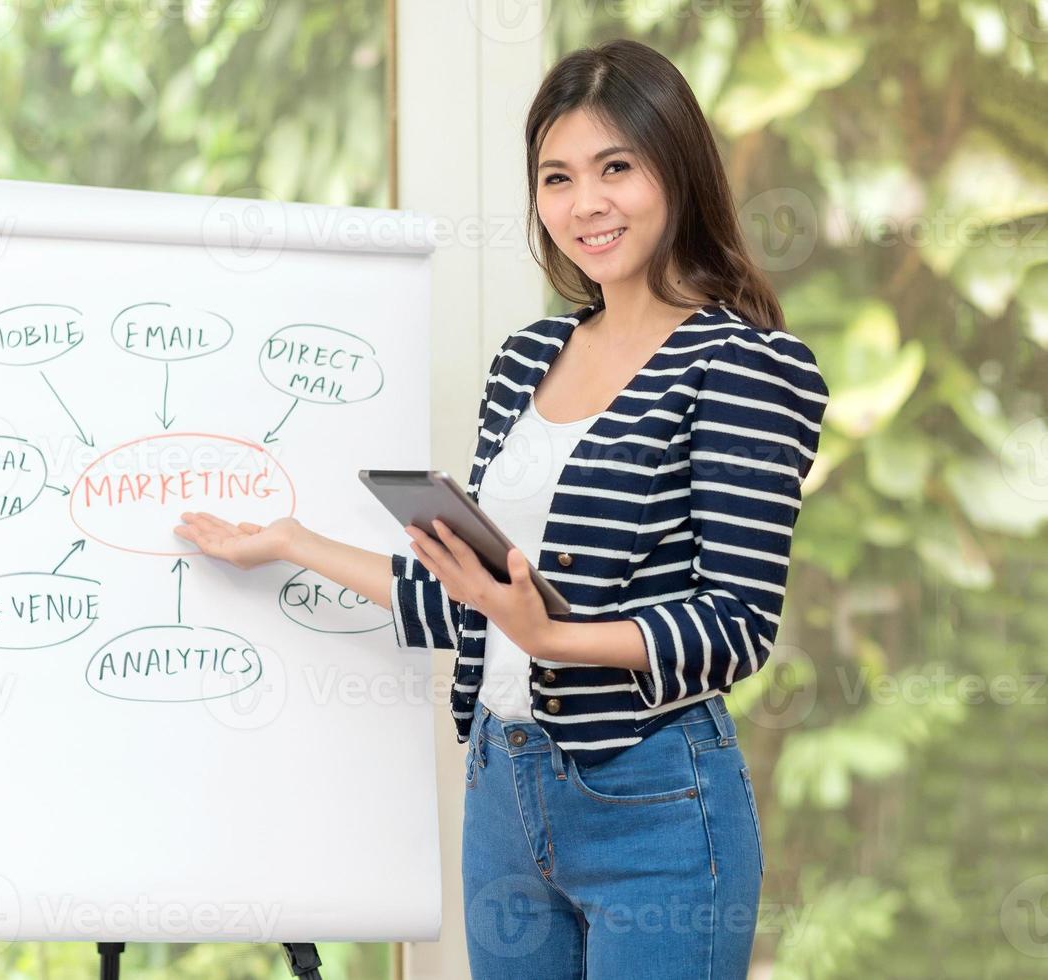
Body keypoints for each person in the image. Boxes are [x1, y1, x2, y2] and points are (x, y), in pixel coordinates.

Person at [174, 38, 829, 980]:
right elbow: (477, 597)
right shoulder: (527, 361)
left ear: (676, 171)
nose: (585, 204)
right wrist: (290, 542)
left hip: (654, 802)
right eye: (556, 177)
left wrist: (555, 638)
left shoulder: (746, 368)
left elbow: (736, 626)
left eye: (617, 167)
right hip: (501, 790)